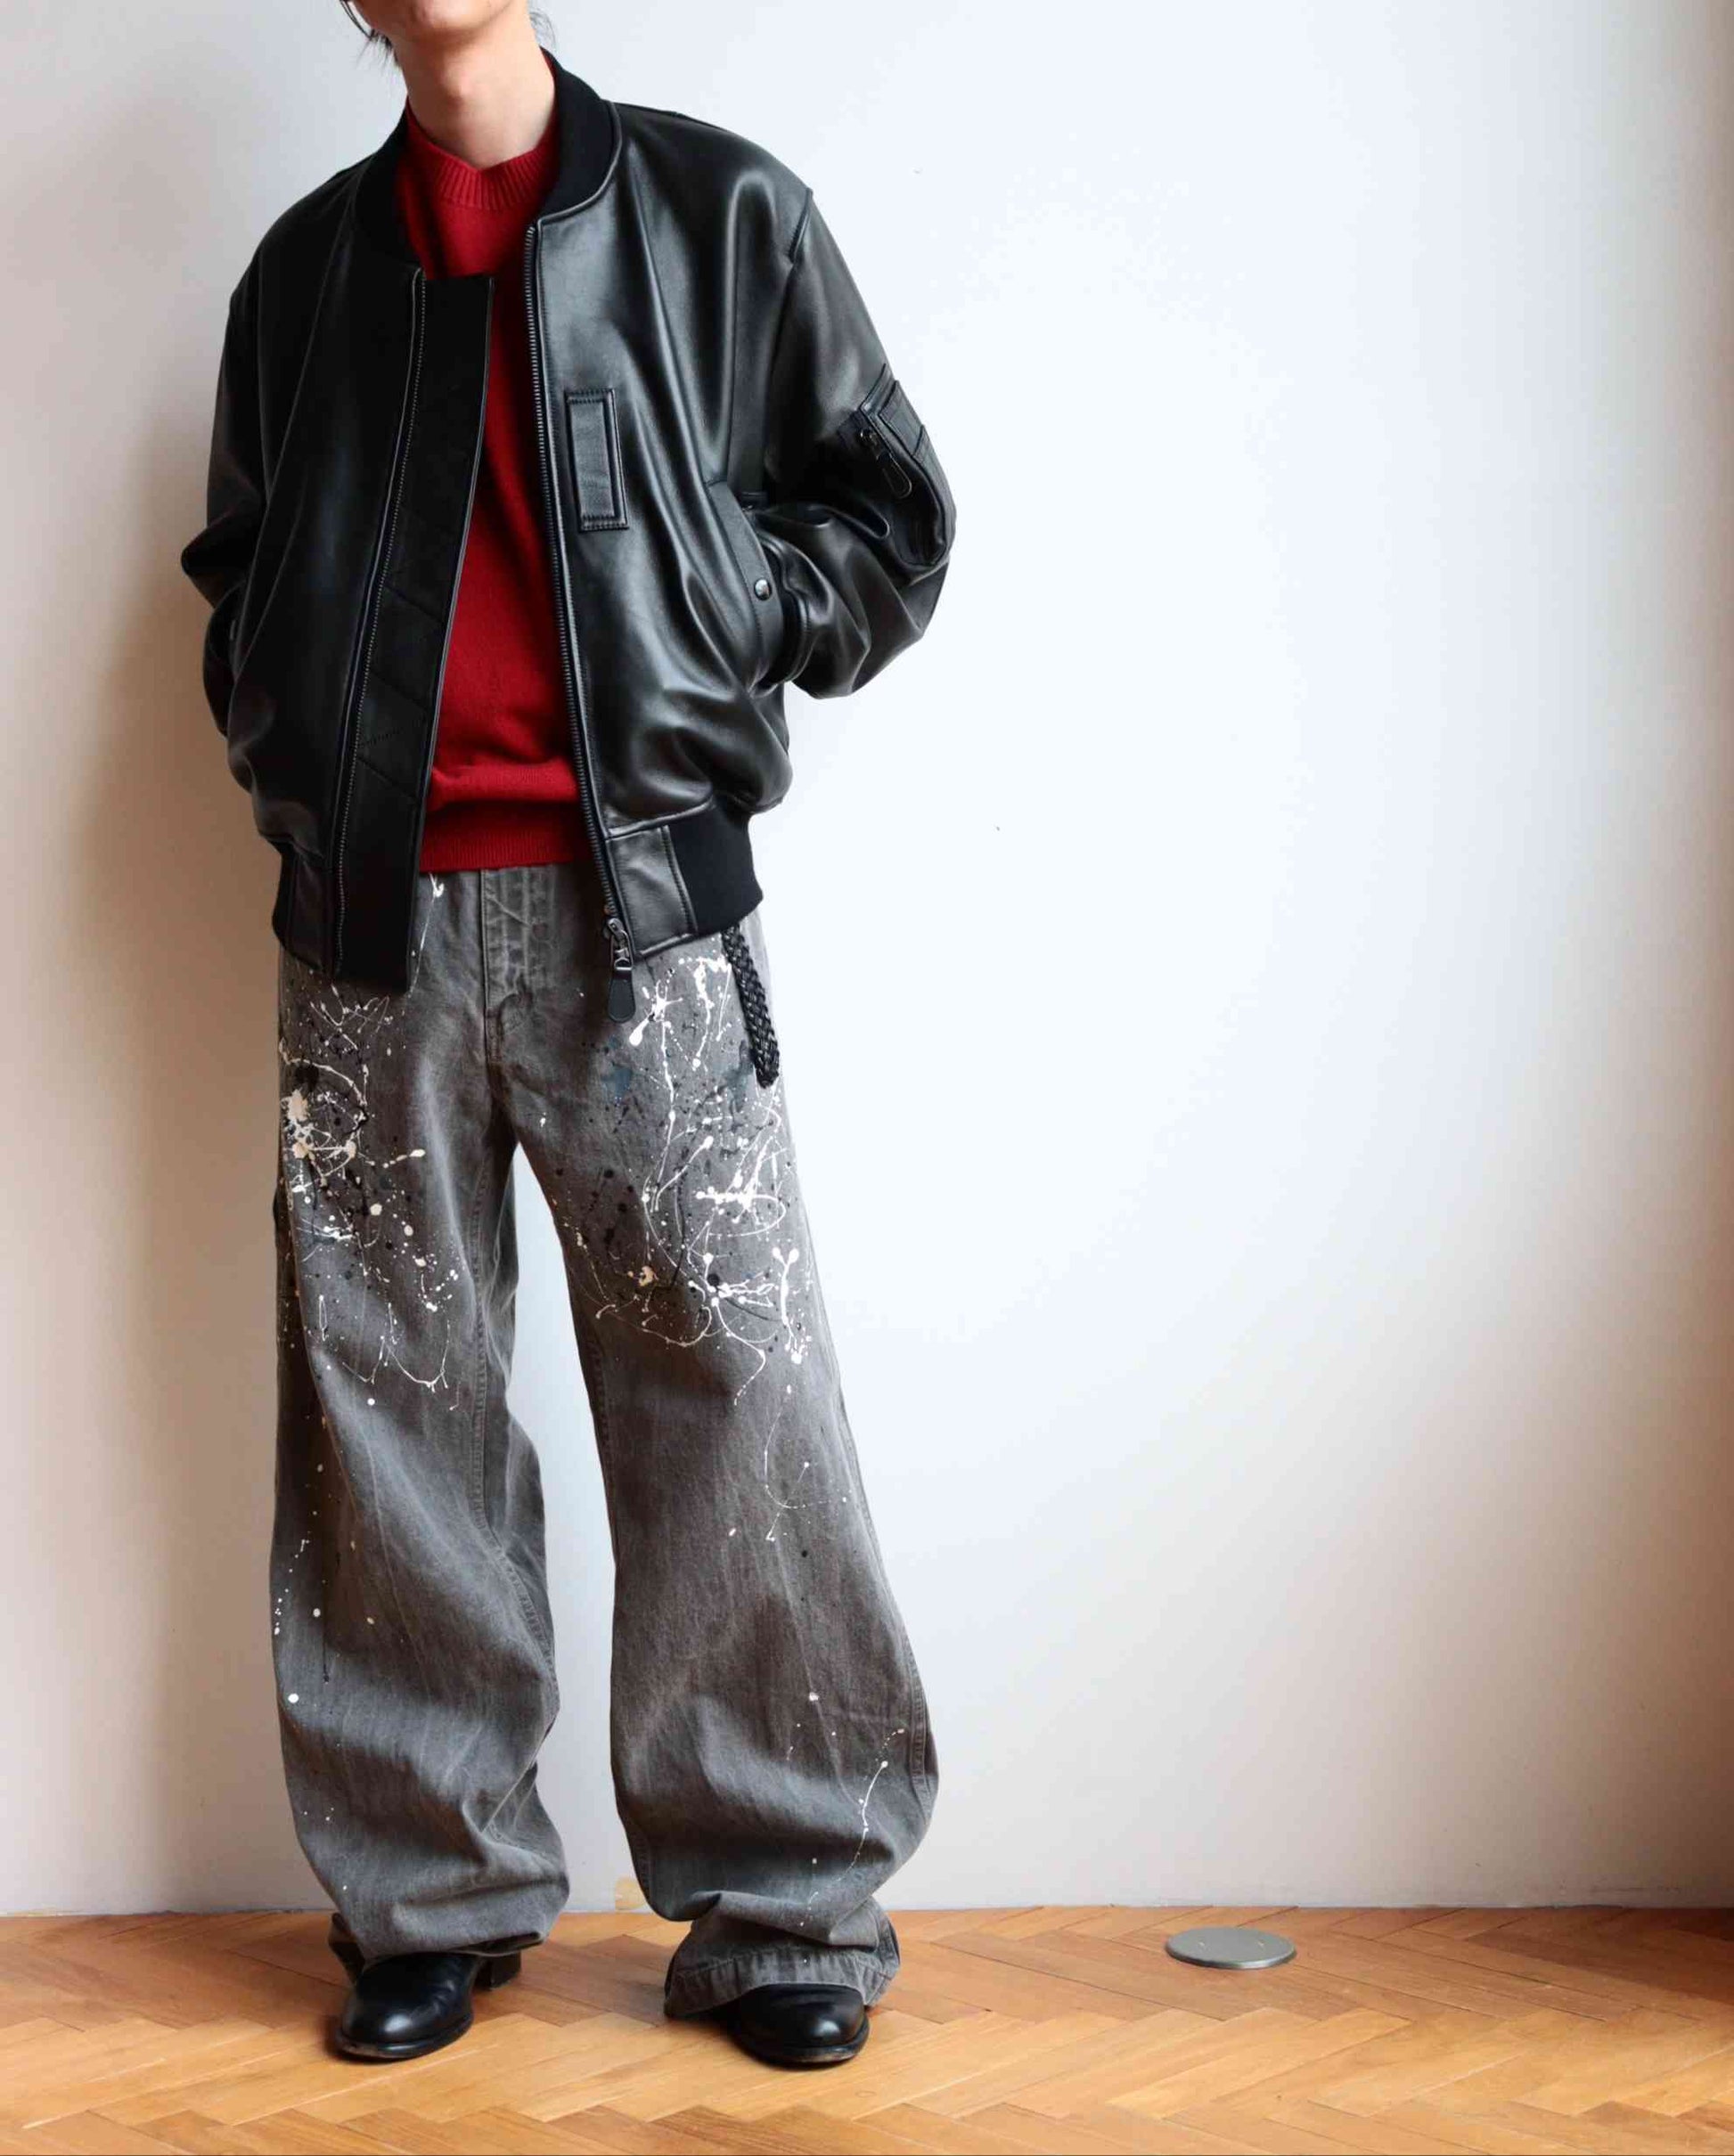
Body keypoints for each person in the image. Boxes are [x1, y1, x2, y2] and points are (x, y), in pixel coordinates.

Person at [178, 0, 954, 2069]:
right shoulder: (306, 271)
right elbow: (237, 568)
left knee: (736, 1397)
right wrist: (284, 719)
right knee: (385, 1407)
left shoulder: (719, 215)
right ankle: (428, 1894)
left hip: (650, 918)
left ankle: (788, 1904)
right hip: (367, 937)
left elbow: (888, 517)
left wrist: (724, 607)